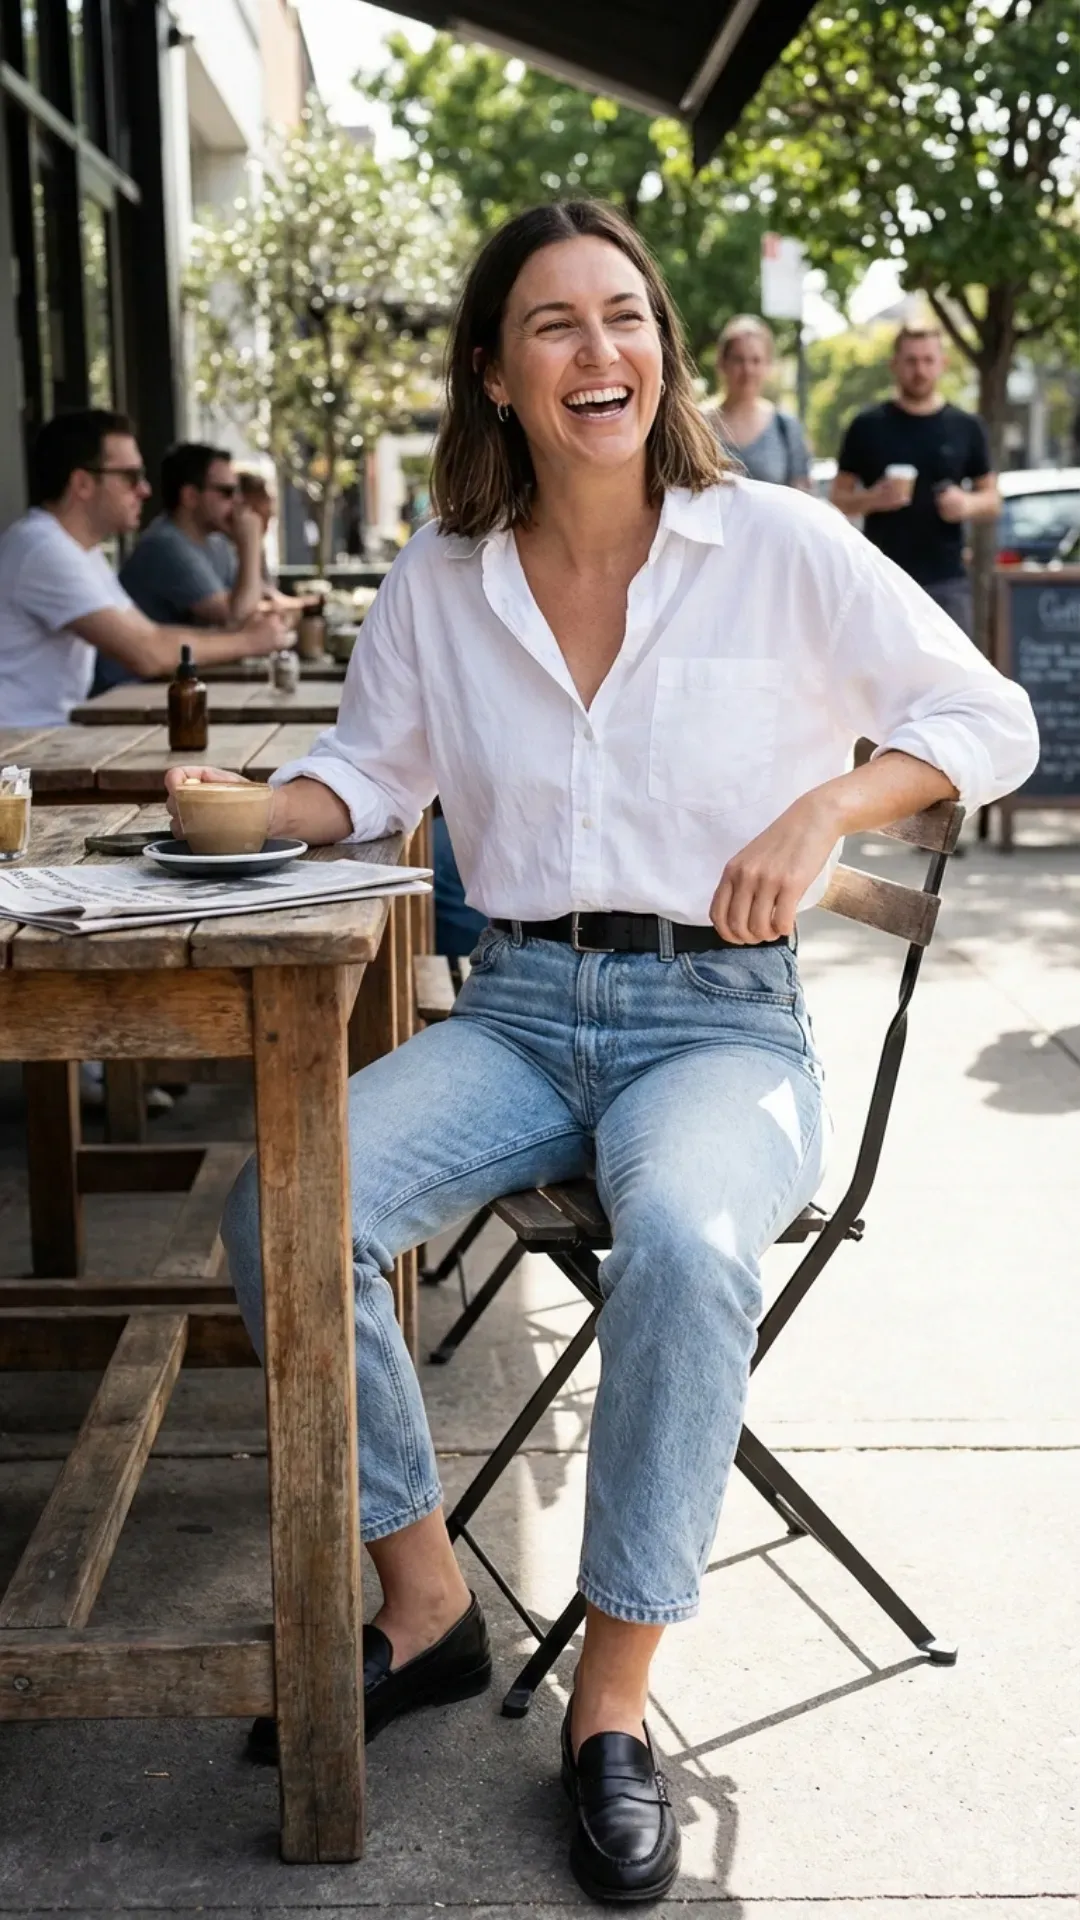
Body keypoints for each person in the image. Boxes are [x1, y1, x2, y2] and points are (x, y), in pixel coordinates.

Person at [165, 202, 1037, 1903]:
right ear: (494, 372)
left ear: (663, 348)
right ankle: (423, 1601)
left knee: (694, 1248)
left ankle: (613, 1709)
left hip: (720, 1021)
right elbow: (371, 770)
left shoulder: (774, 541)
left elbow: (986, 718)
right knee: (285, 1210)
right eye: (554, 326)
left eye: (626, 317)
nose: (602, 353)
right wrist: (261, 813)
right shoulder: (441, 572)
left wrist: (832, 799)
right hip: (516, 1012)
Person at [0, 411, 283, 727]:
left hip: (47, 737)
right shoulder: (42, 548)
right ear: (82, 483)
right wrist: (251, 641)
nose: (145, 490)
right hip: (17, 752)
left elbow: (150, 635)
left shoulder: (79, 550)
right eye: (131, 477)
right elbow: (147, 653)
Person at [830, 326, 1000, 635]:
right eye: (910, 361)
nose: (919, 370)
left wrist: (966, 504)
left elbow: (992, 500)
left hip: (947, 582)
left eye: (927, 360)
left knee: (952, 681)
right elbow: (837, 499)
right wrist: (873, 499)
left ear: (942, 363)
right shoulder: (866, 426)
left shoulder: (966, 426)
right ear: (894, 364)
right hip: (880, 578)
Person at [119, 442, 267, 630]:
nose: (238, 502)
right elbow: (235, 617)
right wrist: (250, 544)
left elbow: (252, 601)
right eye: (227, 492)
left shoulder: (217, 543)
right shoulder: (165, 546)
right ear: (190, 497)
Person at [706, 314, 811, 488]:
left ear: (767, 365)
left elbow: (801, 496)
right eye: (738, 359)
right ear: (722, 363)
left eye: (756, 360)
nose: (747, 370)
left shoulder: (785, 427)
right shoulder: (697, 425)